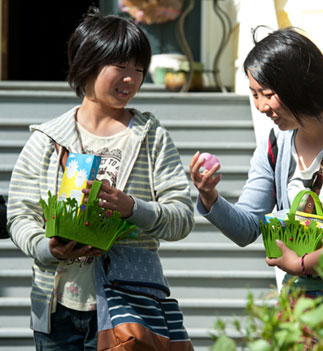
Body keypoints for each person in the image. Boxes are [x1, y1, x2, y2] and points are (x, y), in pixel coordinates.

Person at [189, 27, 323, 349]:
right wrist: (209, 197)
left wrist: (307, 263)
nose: (261, 107)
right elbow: (248, 228)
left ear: (299, 84)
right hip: (301, 305)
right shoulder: (276, 144)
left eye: (267, 93)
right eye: (254, 95)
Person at [7, 7, 194, 351]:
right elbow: (20, 214)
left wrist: (132, 207)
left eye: (139, 69)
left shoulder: (149, 137)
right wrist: (46, 248)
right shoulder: (48, 139)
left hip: (128, 308)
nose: (132, 79)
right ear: (87, 63)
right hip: (56, 308)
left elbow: (182, 217)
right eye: (121, 67)